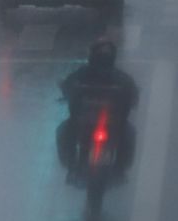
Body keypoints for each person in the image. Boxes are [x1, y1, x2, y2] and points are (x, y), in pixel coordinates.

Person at [57, 40, 139, 175]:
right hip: (88, 123)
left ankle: (119, 168)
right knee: (65, 131)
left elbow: (67, 85)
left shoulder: (85, 74)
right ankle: (72, 164)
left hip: (108, 124)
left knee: (64, 130)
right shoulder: (119, 77)